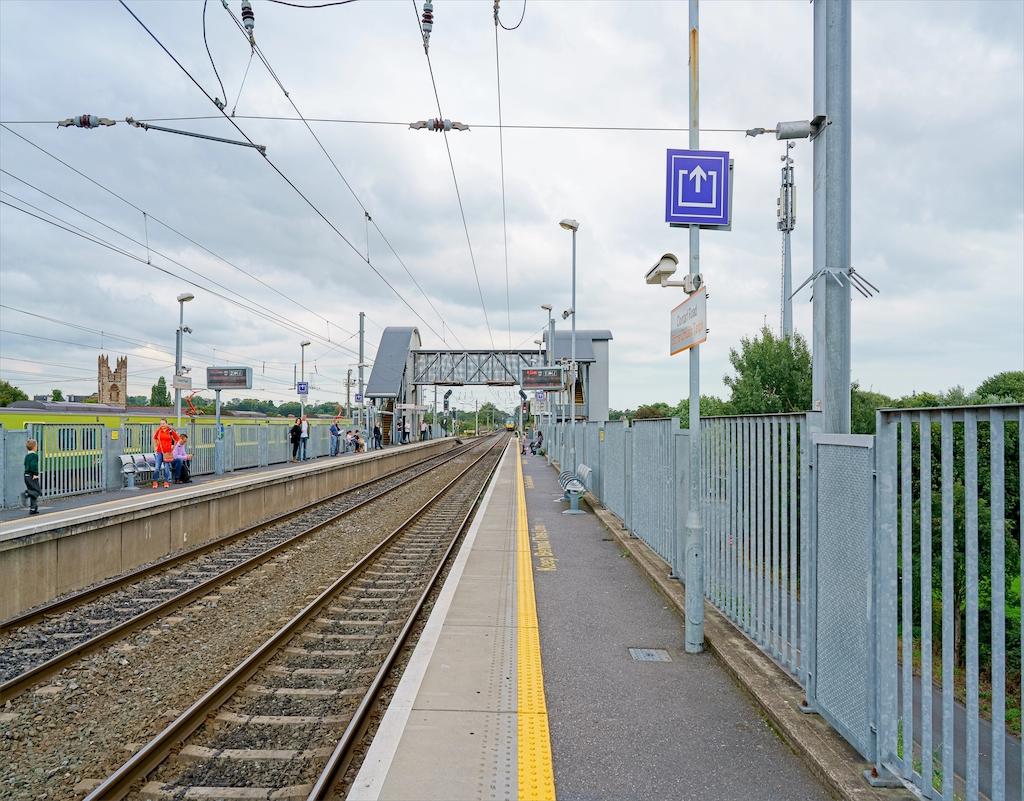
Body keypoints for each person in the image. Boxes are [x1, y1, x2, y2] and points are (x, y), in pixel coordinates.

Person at [152, 418, 178, 488]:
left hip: (168, 452)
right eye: (161, 424)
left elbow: (177, 439)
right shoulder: (159, 431)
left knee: (167, 468)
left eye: (163, 423)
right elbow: (155, 438)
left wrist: (173, 447)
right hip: (159, 451)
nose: (162, 425)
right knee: (157, 467)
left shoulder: (171, 431)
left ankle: (166, 481)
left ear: (167, 424)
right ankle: (155, 481)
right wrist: (156, 447)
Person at [23, 438, 40, 515]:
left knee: (32, 491)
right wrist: (35, 474)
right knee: (37, 491)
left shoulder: (27, 456)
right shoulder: (34, 456)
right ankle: (26, 494)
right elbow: (33, 465)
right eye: (37, 445)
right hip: (32, 476)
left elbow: (25, 464)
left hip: (26, 476)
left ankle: (33, 508)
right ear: (34, 447)